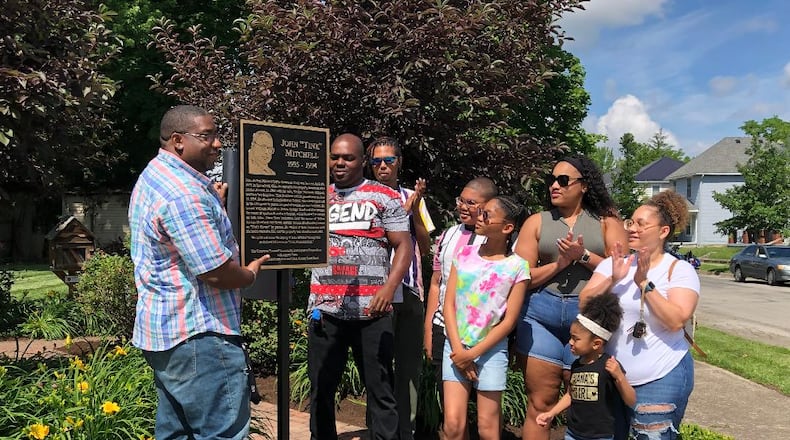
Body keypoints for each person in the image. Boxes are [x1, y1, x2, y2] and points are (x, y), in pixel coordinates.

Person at [129, 105, 270, 440]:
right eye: (207, 136)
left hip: (168, 336)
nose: (217, 143)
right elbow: (216, 272)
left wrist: (213, 206)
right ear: (178, 140)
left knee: (177, 433)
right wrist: (249, 275)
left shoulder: (157, 176)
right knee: (221, 434)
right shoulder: (184, 193)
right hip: (200, 336)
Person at [307, 133, 414, 440]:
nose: (340, 163)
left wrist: (389, 288)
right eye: (335, 157)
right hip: (325, 311)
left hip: (373, 312)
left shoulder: (384, 196)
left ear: (362, 162)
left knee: (380, 390)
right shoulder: (318, 197)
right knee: (322, 389)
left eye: (348, 158)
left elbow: (403, 246)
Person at [514, 156, 627, 440]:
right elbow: (520, 276)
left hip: (589, 320)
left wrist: (584, 256)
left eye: (563, 180)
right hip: (541, 317)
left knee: (586, 402)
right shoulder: (536, 222)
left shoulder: (606, 222)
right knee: (541, 402)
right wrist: (560, 264)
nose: (554, 185)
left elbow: (623, 269)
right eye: (551, 180)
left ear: (584, 186)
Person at [579, 190, 700, 440]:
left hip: (661, 376)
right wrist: (613, 278)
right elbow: (584, 304)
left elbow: (676, 320)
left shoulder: (679, 270)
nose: (632, 228)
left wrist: (644, 283)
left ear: (663, 231)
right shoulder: (615, 264)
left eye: (641, 224)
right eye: (630, 222)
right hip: (613, 376)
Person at [442, 195, 530, 440]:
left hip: (491, 350)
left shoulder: (518, 267)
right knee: (452, 426)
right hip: (455, 345)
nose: (479, 217)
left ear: (507, 228)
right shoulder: (464, 254)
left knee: (488, 428)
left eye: (487, 214)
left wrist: (471, 354)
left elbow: (510, 320)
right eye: (480, 211)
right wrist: (460, 350)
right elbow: (448, 304)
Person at [368, 136, 436, 440]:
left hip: (409, 290)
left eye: (389, 160)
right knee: (379, 367)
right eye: (377, 161)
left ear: (399, 163)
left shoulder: (412, 195)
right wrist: (401, 209)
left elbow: (424, 246)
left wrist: (415, 208)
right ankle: (379, 432)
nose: (383, 166)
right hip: (378, 291)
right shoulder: (363, 196)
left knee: (409, 368)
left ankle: (405, 432)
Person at [424, 177, 499, 407]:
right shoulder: (447, 236)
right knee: (450, 406)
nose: (463, 207)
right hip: (444, 328)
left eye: (471, 202)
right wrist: (428, 328)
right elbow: (437, 282)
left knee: (482, 405)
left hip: (481, 333)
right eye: (461, 201)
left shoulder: (496, 241)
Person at [536, 294, 636, 440]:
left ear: (596, 344)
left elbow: (631, 400)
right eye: (570, 337)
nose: (570, 342)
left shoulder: (609, 365)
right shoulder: (576, 365)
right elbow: (571, 394)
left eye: (576, 339)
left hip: (600, 436)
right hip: (573, 433)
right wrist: (551, 413)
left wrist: (619, 376)